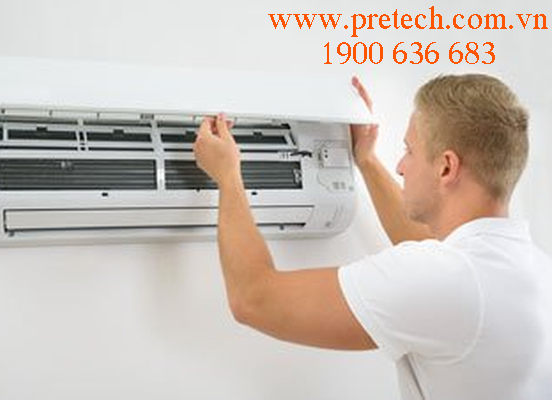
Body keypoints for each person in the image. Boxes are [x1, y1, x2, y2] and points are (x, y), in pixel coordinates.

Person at [192, 74, 552, 400]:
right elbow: (433, 251)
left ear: (446, 167)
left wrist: (228, 176)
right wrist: (366, 160)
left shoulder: (445, 277)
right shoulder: (534, 269)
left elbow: (254, 299)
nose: (401, 166)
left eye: (409, 150)